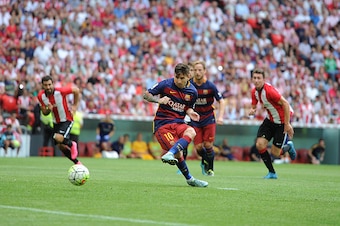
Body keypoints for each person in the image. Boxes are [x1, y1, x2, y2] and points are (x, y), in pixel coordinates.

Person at [143, 63, 208, 187]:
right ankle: (190, 179)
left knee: (192, 132)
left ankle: (169, 154)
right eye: (176, 77)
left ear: (189, 76)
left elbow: (187, 108)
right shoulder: (166, 84)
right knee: (178, 153)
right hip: (162, 125)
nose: (178, 80)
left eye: (182, 78)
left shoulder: (193, 92)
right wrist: (158, 100)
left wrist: (191, 112)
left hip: (178, 123)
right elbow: (146, 95)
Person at [249, 68, 296, 179]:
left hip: (282, 121)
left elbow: (285, 104)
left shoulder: (269, 91)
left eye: (259, 78)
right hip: (269, 120)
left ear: (263, 79)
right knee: (259, 144)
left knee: (275, 154)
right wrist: (253, 110)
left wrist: (287, 124)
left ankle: (288, 147)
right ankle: (272, 173)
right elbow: (254, 105)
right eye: (254, 78)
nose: (256, 80)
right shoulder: (254, 92)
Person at [190, 61, 225, 176]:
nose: (197, 72)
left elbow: (221, 101)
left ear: (205, 71)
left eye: (200, 70)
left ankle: (210, 168)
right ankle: (204, 162)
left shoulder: (210, 86)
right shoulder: (189, 85)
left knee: (208, 145)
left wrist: (220, 116)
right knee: (199, 147)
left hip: (209, 118)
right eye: (195, 70)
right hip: (195, 119)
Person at [37, 75, 81, 164]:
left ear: (53, 84)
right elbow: (45, 113)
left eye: (49, 84)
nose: (48, 87)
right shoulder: (41, 96)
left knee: (58, 137)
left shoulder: (60, 91)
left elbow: (76, 90)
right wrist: (48, 109)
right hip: (56, 122)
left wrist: (75, 106)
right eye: (45, 85)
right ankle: (77, 163)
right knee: (60, 146)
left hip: (67, 119)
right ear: (42, 85)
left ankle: (72, 144)